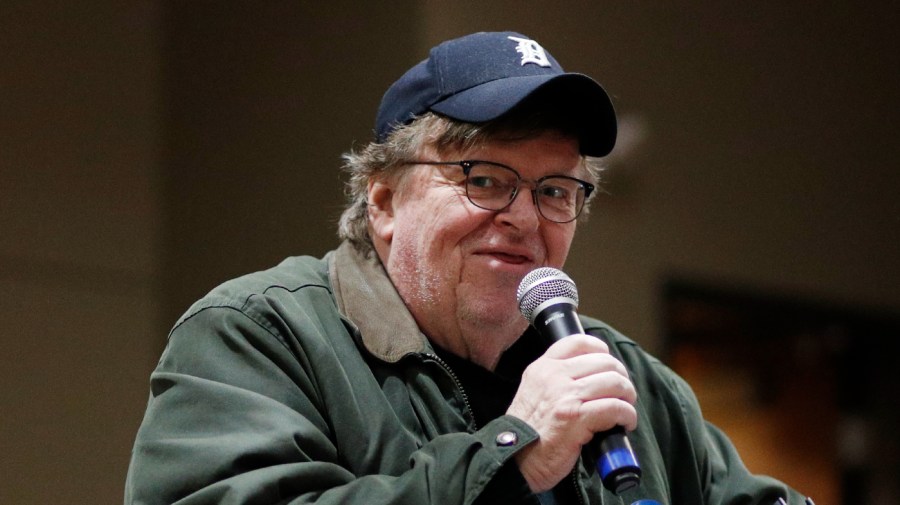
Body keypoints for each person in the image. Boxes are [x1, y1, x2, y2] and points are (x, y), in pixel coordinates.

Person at [125, 31, 811, 504]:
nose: (524, 217)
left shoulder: (622, 380)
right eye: (483, 178)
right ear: (385, 199)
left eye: (555, 191)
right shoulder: (259, 335)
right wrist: (511, 457)